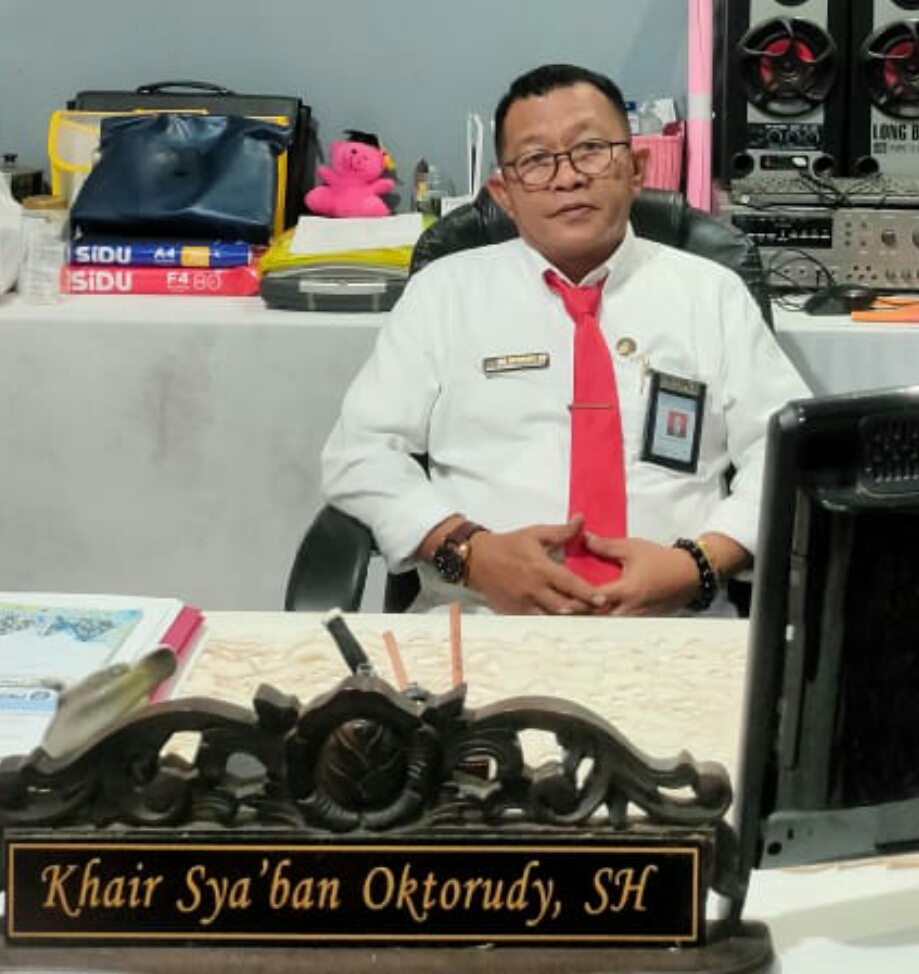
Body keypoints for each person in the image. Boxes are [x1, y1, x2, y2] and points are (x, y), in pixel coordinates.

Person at [321, 63, 810, 616]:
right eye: (535, 160)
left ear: (637, 169)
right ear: (504, 193)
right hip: (480, 619)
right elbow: (360, 453)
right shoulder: (444, 294)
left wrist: (697, 563)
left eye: (591, 149)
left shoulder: (711, 294)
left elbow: (791, 454)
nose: (568, 177)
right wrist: (467, 552)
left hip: (678, 622)